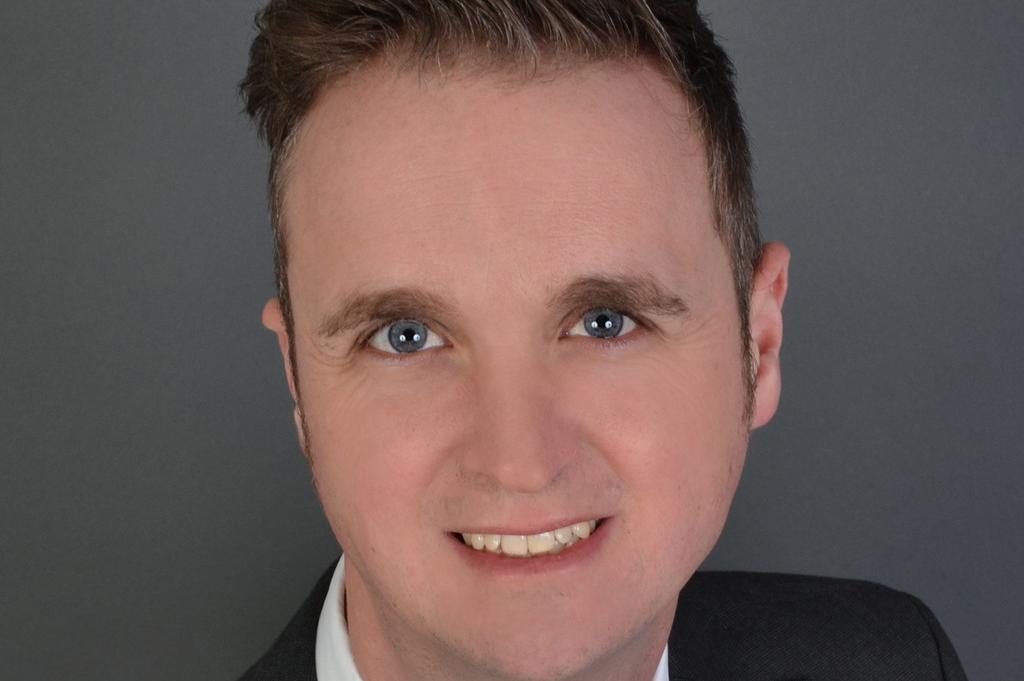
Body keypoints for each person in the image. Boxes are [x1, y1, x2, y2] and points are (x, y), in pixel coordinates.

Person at [237, 2, 967, 679]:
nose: (520, 465)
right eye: (406, 336)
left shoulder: (896, 660)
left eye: (605, 322)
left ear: (759, 344)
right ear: (297, 379)